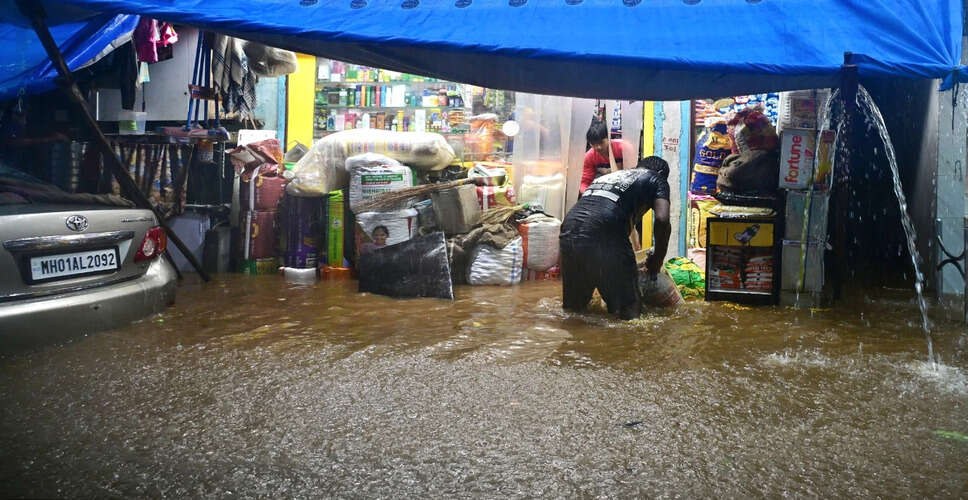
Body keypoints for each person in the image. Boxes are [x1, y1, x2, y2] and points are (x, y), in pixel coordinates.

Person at [559, 156, 672, 320]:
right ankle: (625, 344)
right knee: (629, 313)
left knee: (575, 310)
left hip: (569, 228)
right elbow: (662, 219)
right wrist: (657, 259)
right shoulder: (657, 178)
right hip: (605, 230)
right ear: (661, 173)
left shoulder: (611, 176)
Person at [579, 119, 624, 194]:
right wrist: (589, 194)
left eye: (601, 142)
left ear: (609, 138)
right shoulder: (589, 157)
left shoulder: (623, 148)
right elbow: (584, 182)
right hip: (606, 189)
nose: (598, 147)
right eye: (593, 144)